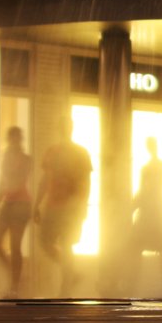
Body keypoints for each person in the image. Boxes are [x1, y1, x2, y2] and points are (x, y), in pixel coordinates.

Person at [33, 117, 93, 296]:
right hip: (53, 205)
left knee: (66, 245)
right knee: (45, 241)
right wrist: (37, 203)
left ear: (70, 128)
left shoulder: (81, 153)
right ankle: (71, 274)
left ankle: (65, 290)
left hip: (71, 207)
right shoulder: (52, 151)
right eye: (63, 126)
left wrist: (82, 206)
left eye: (67, 126)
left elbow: (86, 182)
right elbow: (45, 179)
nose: (65, 129)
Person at [0, 126, 34, 298]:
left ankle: (15, 286)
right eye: (11, 138)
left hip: (21, 203)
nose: (13, 142)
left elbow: (18, 179)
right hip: (8, 203)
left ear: (19, 139)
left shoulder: (26, 159)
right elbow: (2, 184)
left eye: (16, 138)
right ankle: (15, 277)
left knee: (15, 246)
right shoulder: (6, 158)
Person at [129, 137, 162, 293]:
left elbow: (145, 189)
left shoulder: (150, 168)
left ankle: (137, 283)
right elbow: (150, 188)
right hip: (158, 209)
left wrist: (132, 205)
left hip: (152, 211)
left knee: (141, 246)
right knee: (160, 248)